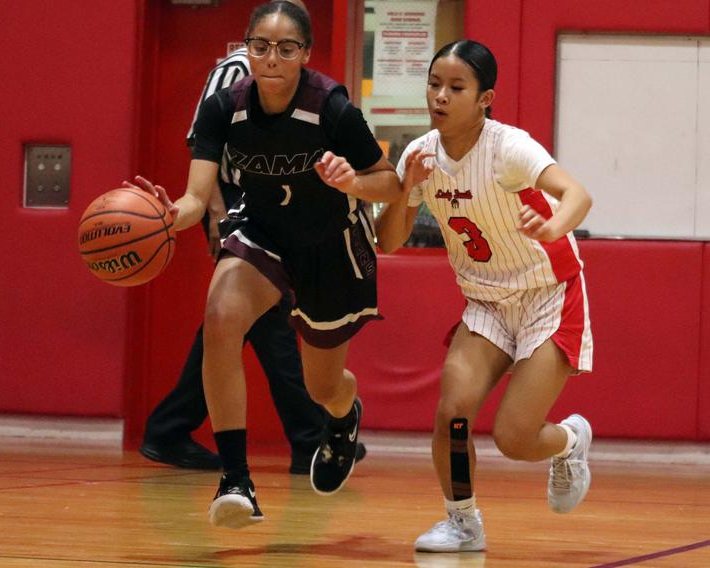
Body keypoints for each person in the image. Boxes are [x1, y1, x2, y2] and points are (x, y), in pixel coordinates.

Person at [126, 0, 400, 529]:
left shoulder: (333, 108)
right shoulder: (223, 107)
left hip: (330, 244)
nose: (272, 57)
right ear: (245, 48)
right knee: (221, 316)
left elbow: (388, 181)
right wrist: (164, 216)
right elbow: (193, 198)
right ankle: (235, 481)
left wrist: (352, 182)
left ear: (305, 54)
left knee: (323, 388)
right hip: (264, 232)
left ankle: (343, 419)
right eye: (260, 46)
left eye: (285, 48)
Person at [375, 40, 595, 553]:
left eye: (456, 87)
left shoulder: (509, 147)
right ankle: (462, 522)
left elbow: (578, 195)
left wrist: (551, 226)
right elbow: (388, 240)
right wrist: (406, 189)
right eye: (434, 84)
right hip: (485, 302)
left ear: (485, 98)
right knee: (453, 411)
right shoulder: (419, 155)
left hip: (547, 295)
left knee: (515, 439)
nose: (440, 96)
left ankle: (569, 441)